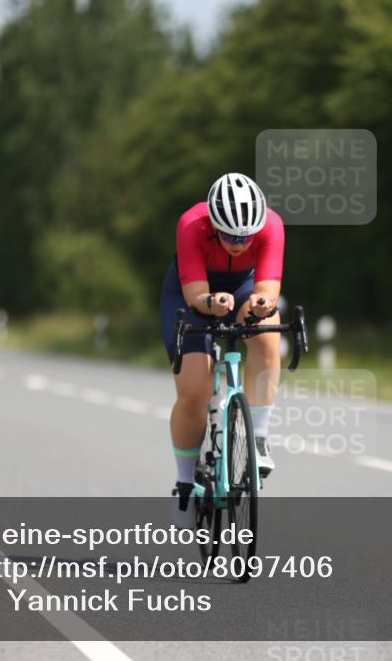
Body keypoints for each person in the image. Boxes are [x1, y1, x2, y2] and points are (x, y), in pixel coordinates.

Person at [160, 173, 284, 528]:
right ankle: (185, 484)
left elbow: (268, 289)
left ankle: (258, 439)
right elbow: (196, 295)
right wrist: (210, 303)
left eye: (246, 237)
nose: (238, 243)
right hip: (193, 291)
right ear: (214, 223)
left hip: (243, 286)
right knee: (194, 392)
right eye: (229, 235)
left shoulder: (272, 225)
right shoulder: (192, 224)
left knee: (266, 332)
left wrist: (260, 306)